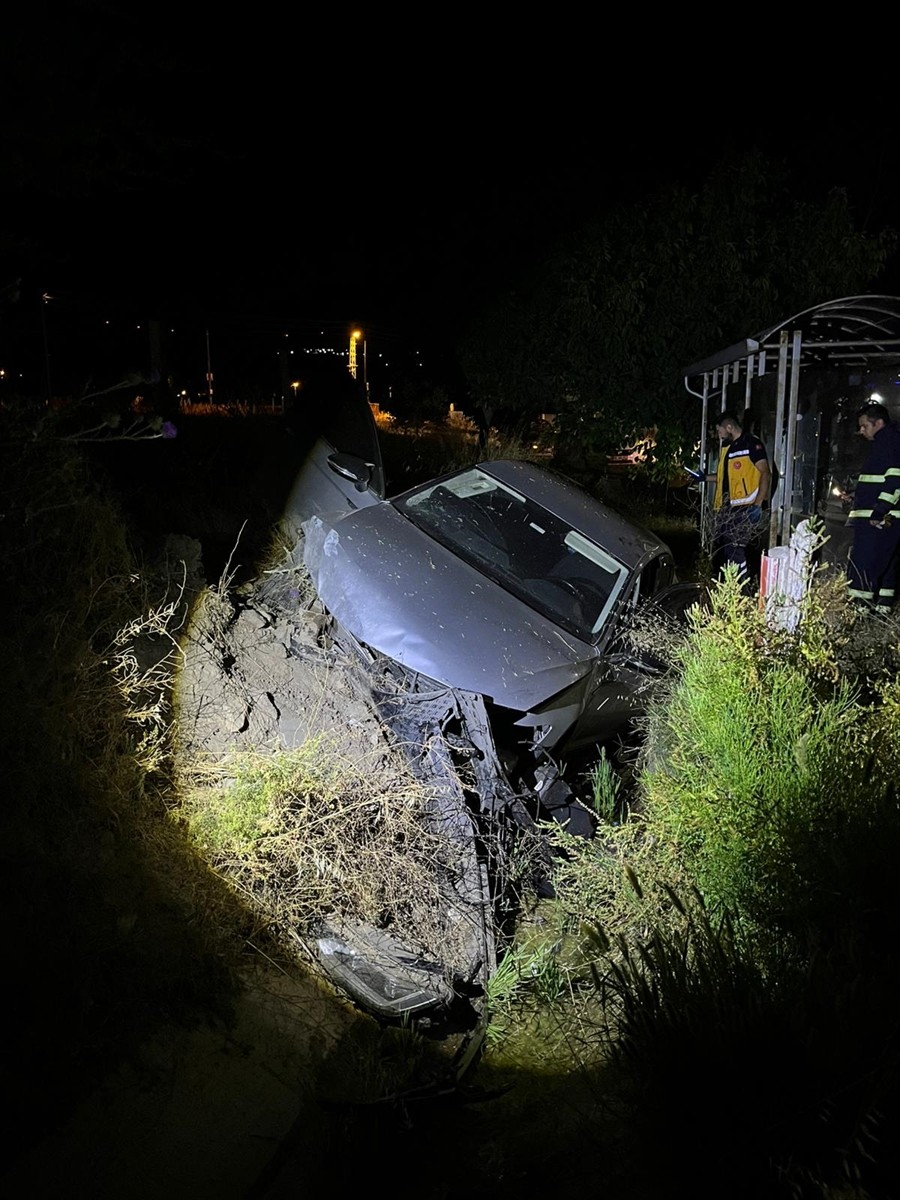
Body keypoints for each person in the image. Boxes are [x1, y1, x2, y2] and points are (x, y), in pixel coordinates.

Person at [846, 401, 900, 615]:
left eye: (864, 426)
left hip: (879, 518)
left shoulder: (888, 442)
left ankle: (858, 614)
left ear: (878, 423)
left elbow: (896, 479)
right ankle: (882, 612)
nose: (861, 431)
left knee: (864, 564)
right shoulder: (888, 442)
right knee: (886, 566)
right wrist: (857, 495)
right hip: (885, 516)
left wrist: (879, 510)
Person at [710, 410, 771, 589]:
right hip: (730, 508)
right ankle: (736, 587)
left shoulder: (751, 444)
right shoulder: (730, 449)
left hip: (746, 507)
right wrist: (704, 478)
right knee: (729, 550)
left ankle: (743, 590)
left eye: (720, 431)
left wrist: (758, 504)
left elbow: (765, 473)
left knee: (735, 550)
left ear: (729, 427)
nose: (719, 435)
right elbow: (725, 478)